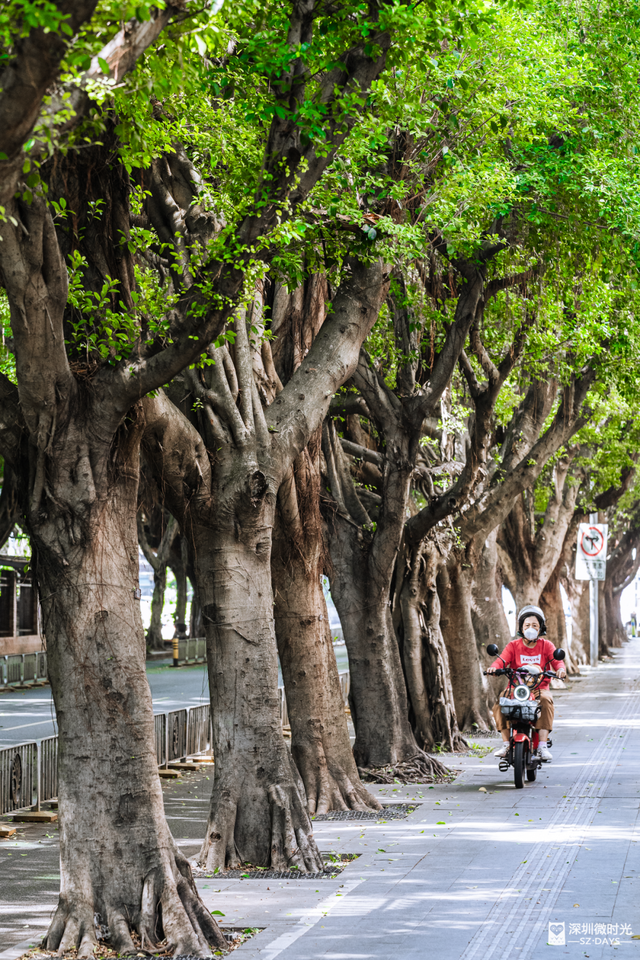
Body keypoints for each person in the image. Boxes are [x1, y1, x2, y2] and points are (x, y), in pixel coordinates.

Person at [486, 604, 566, 761]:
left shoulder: (546, 645)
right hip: (516, 688)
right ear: (521, 628)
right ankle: (505, 743)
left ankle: (542, 746)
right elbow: (500, 661)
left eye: (534, 625)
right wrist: (493, 669)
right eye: (527, 625)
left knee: (546, 702)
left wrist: (560, 670)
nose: (531, 628)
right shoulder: (513, 646)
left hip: (539, 689)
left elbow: (558, 662)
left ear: (540, 628)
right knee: (500, 703)